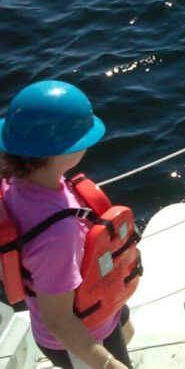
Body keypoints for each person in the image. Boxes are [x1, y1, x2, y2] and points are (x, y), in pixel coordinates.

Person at [0, 80, 135, 369]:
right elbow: (59, 320)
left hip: (100, 308)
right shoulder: (58, 235)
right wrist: (110, 365)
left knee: (127, 329)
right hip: (80, 337)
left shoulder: (12, 183)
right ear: (60, 152)